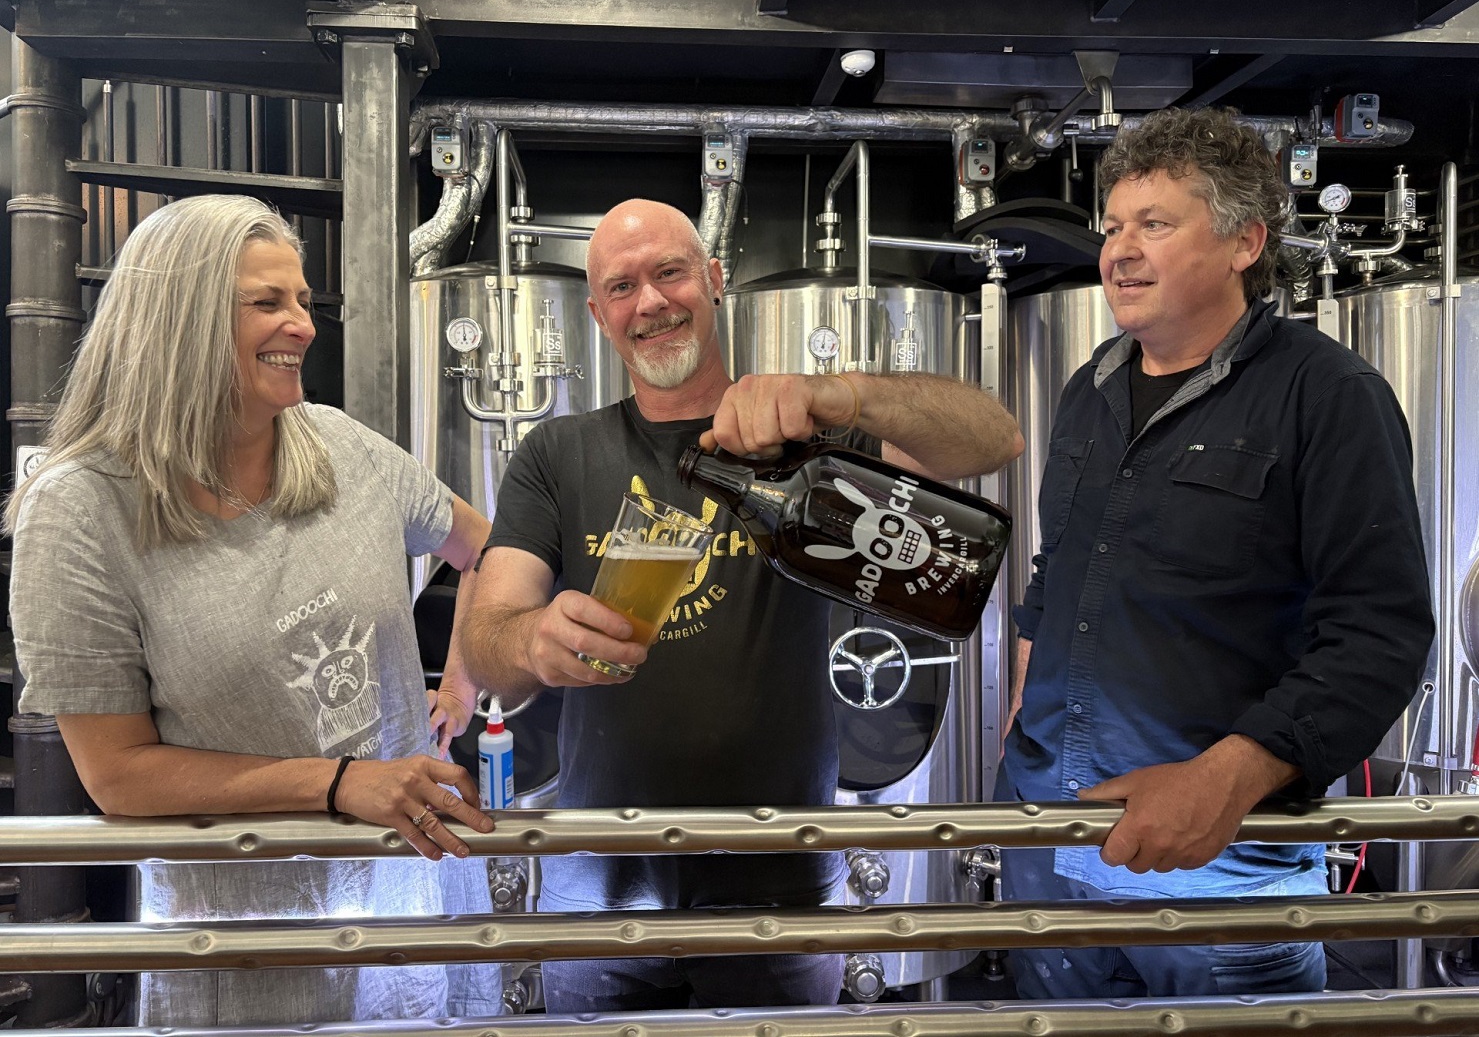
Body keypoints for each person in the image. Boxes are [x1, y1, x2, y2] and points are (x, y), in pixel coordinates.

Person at [447, 198, 1023, 1013]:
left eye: (670, 272)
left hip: (780, 871)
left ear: (714, 281)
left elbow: (993, 438)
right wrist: (533, 640)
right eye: (621, 286)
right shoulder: (557, 452)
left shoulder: (810, 443)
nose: (649, 302)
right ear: (597, 315)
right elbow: (486, 640)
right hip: (599, 878)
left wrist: (840, 394)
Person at [7, 195, 504, 1025]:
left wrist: (459, 686)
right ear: (181, 317)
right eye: (267, 302)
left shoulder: (339, 445)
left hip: (411, 898)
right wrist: (343, 782)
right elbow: (118, 771)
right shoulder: (80, 509)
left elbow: (488, 549)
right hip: (241, 941)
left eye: (302, 300)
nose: (304, 324)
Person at [999, 106, 1434, 998]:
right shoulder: (1091, 385)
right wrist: (1021, 717)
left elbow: (1379, 634)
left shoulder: (1329, 395)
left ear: (1244, 242)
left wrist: (1221, 782)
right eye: (1113, 225)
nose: (1118, 249)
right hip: (1051, 842)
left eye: (1154, 224)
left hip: (1219, 876)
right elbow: (1060, 573)